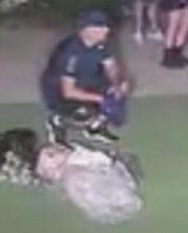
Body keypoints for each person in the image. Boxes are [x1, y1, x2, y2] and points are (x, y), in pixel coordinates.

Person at [41, 10, 130, 146]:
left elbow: (111, 67)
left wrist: (116, 84)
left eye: (105, 25)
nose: (106, 29)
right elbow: (68, 91)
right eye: (100, 26)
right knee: (83, 112)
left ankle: (95, 128)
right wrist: (101, 99)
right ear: (86, 30)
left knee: (121, 88)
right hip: (58, 90)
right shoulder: (70, 53)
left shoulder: (102, 43)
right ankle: (57, 121)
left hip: (87, 79)